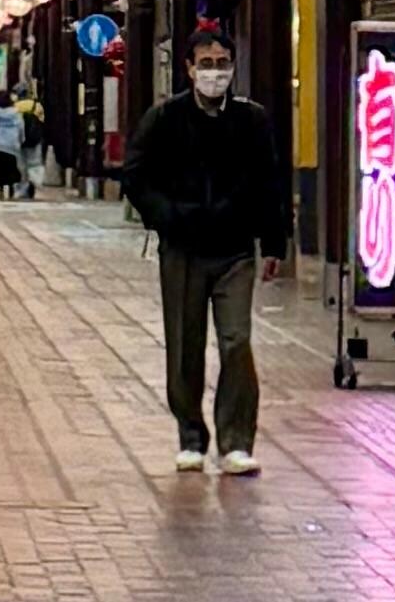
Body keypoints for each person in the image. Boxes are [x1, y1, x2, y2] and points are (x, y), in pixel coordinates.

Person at [121, 29, 289, 476]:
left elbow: (271, 181)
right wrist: (165, 215)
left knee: (237, 341)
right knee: (185, 343)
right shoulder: (165, 118)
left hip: (235, 249)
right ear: (189, 69)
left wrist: (275, 241)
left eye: (223, 62)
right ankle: (191, 435)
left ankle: (236, 439)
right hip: (183, 249)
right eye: (206, 63)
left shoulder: (251, 120)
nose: (216, 72)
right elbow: (135, 175)